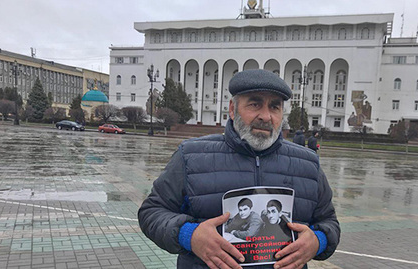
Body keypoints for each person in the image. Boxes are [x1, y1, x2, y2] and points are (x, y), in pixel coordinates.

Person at [138, 69, 340, 269]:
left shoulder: (307, 163)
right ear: (232, 109)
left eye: (275, 107)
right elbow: (152, 212)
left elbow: (328, 221)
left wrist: (318, 241)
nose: (266, 116)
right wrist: (189, 235)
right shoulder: (191, 156)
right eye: (255, 104)